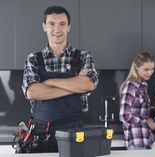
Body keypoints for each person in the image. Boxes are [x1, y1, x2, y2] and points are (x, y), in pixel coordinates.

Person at [21, 6, 98, 152]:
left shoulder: (83, 56)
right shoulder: (33, 59)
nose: (57, 29)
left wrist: (49, 82)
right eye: (51, 24)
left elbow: (89, 84)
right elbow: (32, 92)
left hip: (74, 133)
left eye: (62, 24)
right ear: (44, 26)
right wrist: (75, 85)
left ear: (69, 26)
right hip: (41, 134)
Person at [119, 52, 155, 150]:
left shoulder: (143, 86)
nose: (150, 72)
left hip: (144, 140)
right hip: (135, 143)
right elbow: (124, 115)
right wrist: (146, 121)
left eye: (152, 69)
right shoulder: (131, 86)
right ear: (136, 67)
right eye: (146, 69)